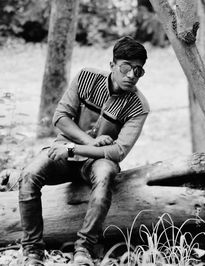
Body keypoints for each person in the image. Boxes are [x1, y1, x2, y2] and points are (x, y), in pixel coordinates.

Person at [18, 36, 149, 266]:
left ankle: (84, 248)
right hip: (63, 153)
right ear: (112, 66)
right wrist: (90, 141)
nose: (131, 76)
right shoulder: (86, 77)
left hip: (97, 160)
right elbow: (60, 117)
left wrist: (74, 149)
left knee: (106, 174)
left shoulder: (139, 106)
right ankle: (33, 250)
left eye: (138, 71)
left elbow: (118, 151)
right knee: (29, 175)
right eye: (126, 68)